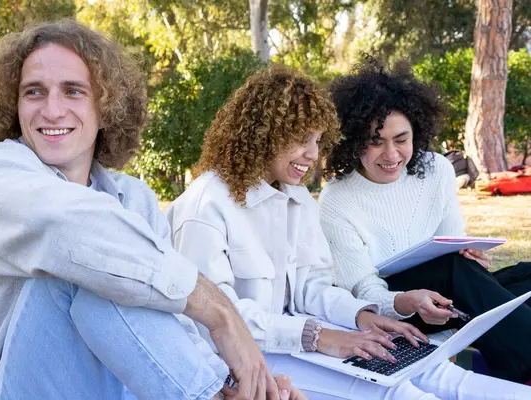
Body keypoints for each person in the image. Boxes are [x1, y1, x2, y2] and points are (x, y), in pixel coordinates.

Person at [0, 19, 288, 400]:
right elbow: (77, 237)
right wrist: (222, 313)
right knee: (91, 268)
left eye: (73, 91)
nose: (52, 110)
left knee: (136, 281)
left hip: (117, 388)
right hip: (17, 388)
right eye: (34, 92)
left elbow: (169, 324)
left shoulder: (134, 198)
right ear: (14, 106)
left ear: (105, 107)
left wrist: (235, 384)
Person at [167, 64, 531, 399]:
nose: (312, 154)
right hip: (247, 357)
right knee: (399, 394)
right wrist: (320, 336)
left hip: (303, 338)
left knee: (438, 373)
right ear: (262, 135)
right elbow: (220, 318)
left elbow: (314, 288)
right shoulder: (206, 205)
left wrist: (365, 317)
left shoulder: (295, 199)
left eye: (317, 141)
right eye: (301, 139)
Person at [319, 57, 531, 384]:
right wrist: (407, 300)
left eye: (401, 140)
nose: (391, 155)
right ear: (352, 142)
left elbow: (451, 244)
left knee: (524, 276)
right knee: (454, 272)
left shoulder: (437, 170)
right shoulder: (336, 198)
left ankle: (508, 362)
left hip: (447, 293)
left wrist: (469, 254)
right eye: (375, 142)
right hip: (393, 306)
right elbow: (363, 290)